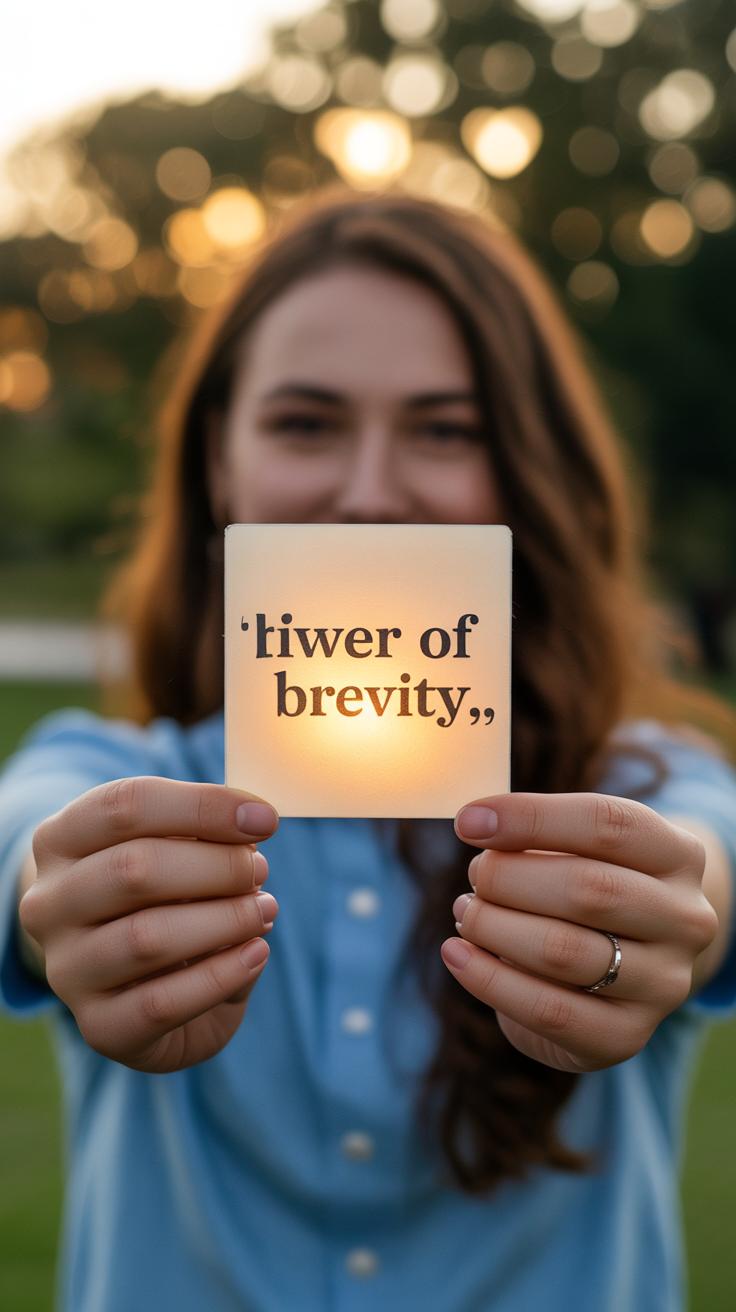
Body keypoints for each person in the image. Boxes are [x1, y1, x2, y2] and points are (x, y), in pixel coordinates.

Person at [1, 184, 735, 1312]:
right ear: (217, 465)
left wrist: (677, 897)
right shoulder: (113, 770)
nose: (368, 495)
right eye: (306, 423)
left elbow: (706, 845)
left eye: (444, 429)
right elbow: (30, 829)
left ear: (523, 471)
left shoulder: (634, 784)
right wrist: (47, 895)